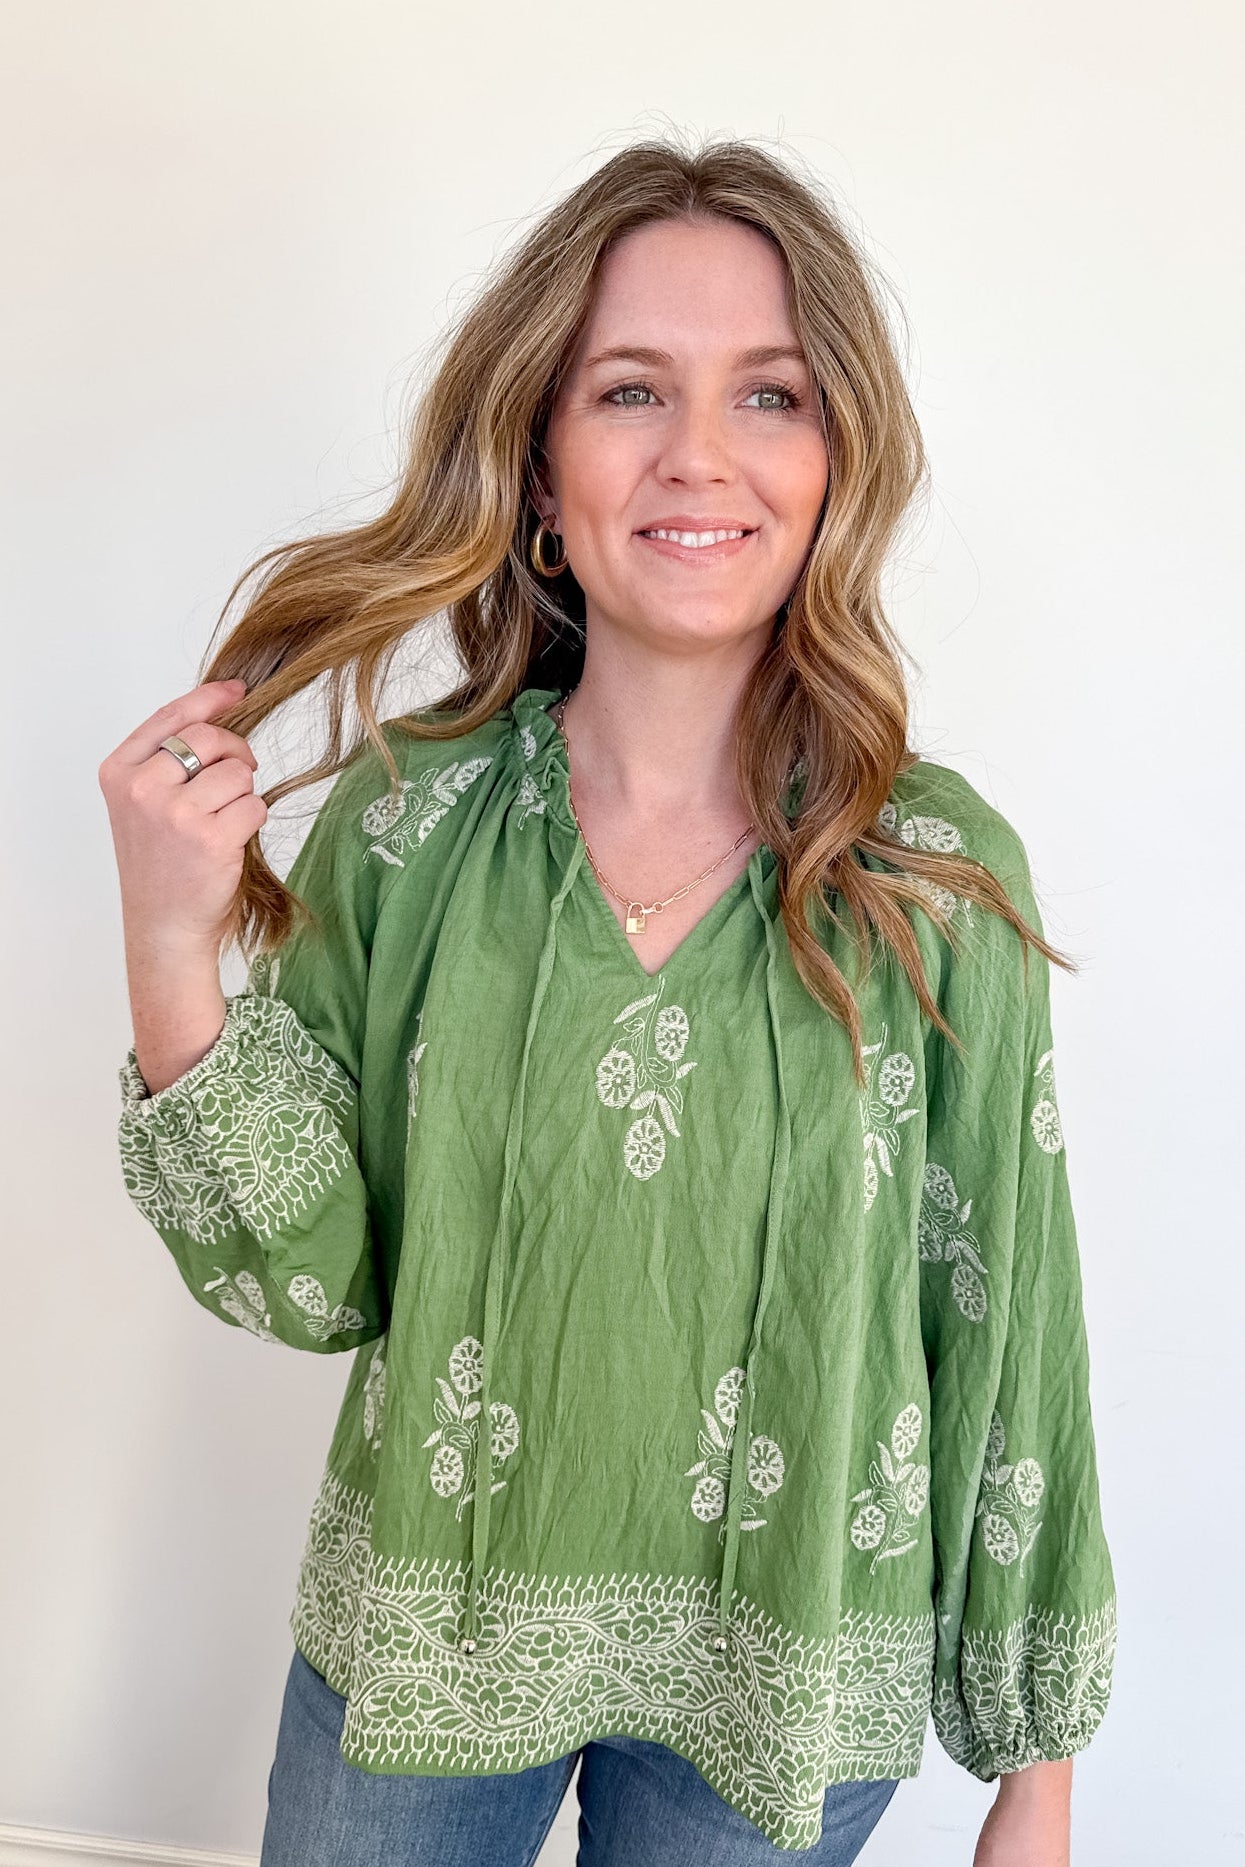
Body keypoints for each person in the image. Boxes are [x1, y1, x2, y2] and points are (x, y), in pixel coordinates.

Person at [100, 136, 1117, 1865]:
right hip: (423, 1641)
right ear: (543, 475)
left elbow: (1004, 1314)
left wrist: (1035, 1780)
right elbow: (320, 1280)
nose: (699, 454)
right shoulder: (412, 827)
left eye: (771, 396)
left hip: (786, 1674)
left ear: (835, 463)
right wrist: (172, 946)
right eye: (630, 389)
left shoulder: (938, 875)